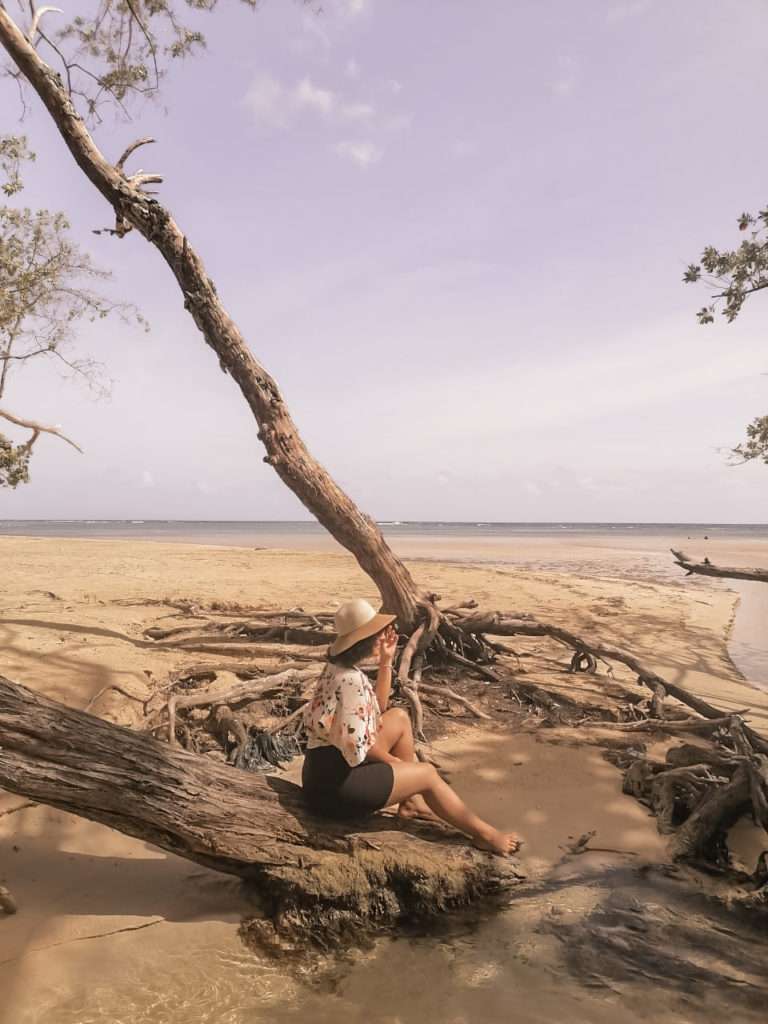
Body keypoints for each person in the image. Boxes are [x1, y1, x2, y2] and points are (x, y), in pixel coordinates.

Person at [302, 598, 521, 856]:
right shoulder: (350, 681)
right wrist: (398, 763)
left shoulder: (338, 668)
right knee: (426, 773)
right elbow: (362, 748)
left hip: (320, 772)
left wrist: (386, 661)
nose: (382, 635)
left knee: (400, 717)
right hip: (336, 790)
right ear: (364, 639)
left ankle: (411, 803)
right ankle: (486, 835)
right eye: (376, 632)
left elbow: (376, 712)